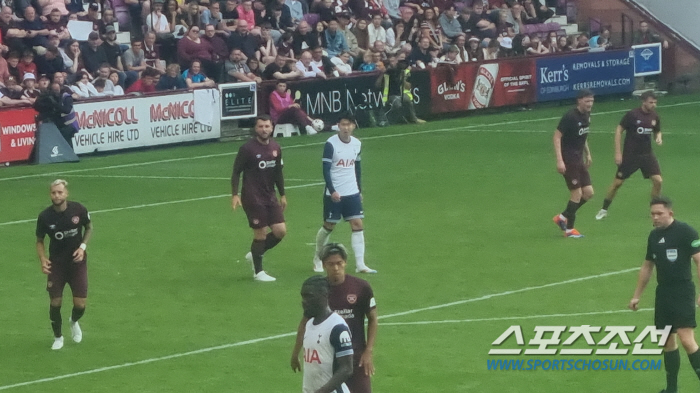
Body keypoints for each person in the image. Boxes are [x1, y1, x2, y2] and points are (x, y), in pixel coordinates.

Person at [629, 196, 700, 393]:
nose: (655, 217)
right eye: (652, 214)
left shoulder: (686, 232)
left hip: (683, 291)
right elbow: (647, 266)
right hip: (664, 293)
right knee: (667, 341)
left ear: (670, 213)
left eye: (659, 213)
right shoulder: (653, 237)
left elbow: (699, 261)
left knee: (687, 340)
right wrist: (637, 295)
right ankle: (671, 389)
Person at [292, 243, 377, 393]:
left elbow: (372, 319)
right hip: (330, 359)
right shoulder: (319, 291)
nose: (336, 268)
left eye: (339, 263)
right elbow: (305, 322)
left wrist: (368, 351)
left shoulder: (361, 287)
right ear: (324, 265)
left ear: (345, 262)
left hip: (357, 356)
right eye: (331, 264)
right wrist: (295, 352)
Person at [310, 113, 376, 274]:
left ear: (353, 126)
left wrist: (359, 190)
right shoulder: (330, 144)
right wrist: (332, 190)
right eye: (343, 124)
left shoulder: (356, 144)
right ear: (338, 126)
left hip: (352, 191)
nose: (346, 128)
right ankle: (318, 257)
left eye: (349, 125)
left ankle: (360, 264)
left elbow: (357, 168)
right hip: (335, 193)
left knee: (357, 224)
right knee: (329, 226)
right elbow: (326, 170)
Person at [35, 179, 93, 350]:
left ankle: (73, 321)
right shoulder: (45, 217)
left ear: (66, 193)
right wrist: (43, 258)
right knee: (55, 302)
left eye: (60, 192)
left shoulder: (78, 209)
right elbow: (39, 240)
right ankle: (58, 337)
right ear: (50, 195)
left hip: (77, 264)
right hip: (57, 265)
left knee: (80, 303)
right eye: (54, 192)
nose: (57, 195)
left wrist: (82, 247)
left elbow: (89, 227)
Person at [231, 115, 287, 282]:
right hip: (252, 197)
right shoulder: (247, 149)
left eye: (267, 126)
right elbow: (236, 172)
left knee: (280, 231)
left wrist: (282, 194)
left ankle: (256, 253)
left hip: (270, 196)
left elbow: (278, 173)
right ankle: (258, 272)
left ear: (272, 128)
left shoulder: (276, 147)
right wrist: (235, 194)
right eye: (261, 126)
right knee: (260, 234)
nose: (264, 129)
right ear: (256, 129)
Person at [596, 91, 663, 220]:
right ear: (643, 102)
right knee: (617, 184)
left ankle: (655, 210)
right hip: (631, 156)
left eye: (655, 102)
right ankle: (604, 209)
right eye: (651, 102)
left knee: (658, 181)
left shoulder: (654, 116)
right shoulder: (632, 115)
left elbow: (657, 131)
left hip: (647, 155)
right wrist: (617, 152)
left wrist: (658, 138)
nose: (653, 105)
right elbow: (619, 130)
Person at [293, 275, 354, 393]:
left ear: (324, 295)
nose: (304, 302)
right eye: (303, 296)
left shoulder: (337, 327)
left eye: (309, 296)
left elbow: (346, 369)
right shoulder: (309, 324)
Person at [552, 89, 595, 238]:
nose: (590, 104)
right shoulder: (570, 116)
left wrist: (587, 153)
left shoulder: (587, 116)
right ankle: (569, 230)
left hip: (579, 159)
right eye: (587, 101)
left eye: (591, 101)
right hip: (569, 159)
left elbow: (583, 136)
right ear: (579, 101)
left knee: (588, 193)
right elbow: (557, 137)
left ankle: (562, 217)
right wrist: (559, 160)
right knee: (576, 193)